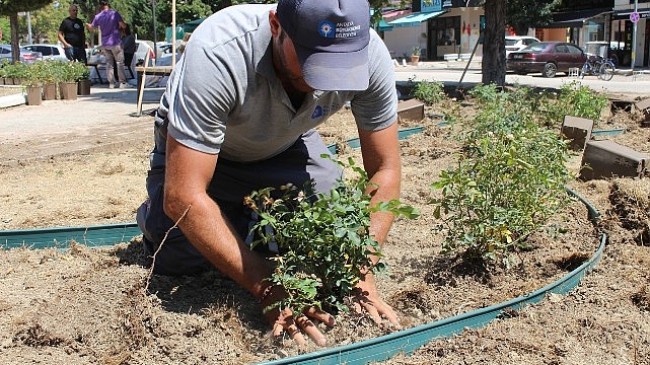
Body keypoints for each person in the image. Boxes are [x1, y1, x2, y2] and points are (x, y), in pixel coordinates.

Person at [136, 0, 401, 347]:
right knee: (180, 252)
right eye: (313, 62)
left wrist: (359, 271)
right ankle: (158, 217)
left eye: (341, 66)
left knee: (329, 234)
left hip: (287, 142)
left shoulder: (370, 56)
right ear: (276, 26)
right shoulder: (219, 51)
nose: (324, 80)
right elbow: (184, 195)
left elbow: (385, 168)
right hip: (208, 149)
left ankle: (238, 218)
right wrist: (266, 285)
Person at [86, 1, 127, 89]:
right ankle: (122, 83)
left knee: (109, 64)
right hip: (115, 42)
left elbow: (91, 28)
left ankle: (111, 83)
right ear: (108, 4)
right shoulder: (114, 14)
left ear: (100, 6)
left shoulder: (98, 16)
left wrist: (88, 25)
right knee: (119, 63)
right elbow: (123, 26)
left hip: (105, 43)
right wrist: (123, 25)